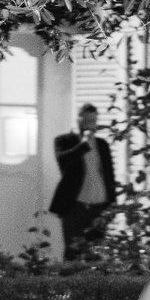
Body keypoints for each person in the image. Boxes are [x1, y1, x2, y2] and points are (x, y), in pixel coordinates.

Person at [49, 104, 118, 260]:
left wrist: (112, 206)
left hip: (99, 209)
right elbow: (63, 162)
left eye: (93, 121)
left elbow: (109, 176)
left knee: (95, 254)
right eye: (86, 120)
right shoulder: (64, 141)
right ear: (78, 120)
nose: (90, 125)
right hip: (75, 208)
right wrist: (83, 145)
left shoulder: (102, 145)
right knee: (73, 253)